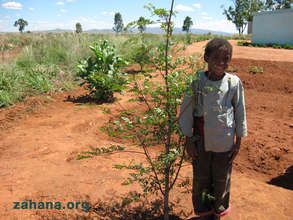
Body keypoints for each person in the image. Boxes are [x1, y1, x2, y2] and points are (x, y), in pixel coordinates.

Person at [179, 38, 247, 220]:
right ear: (206, 57)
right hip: (201, 142)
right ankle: (203, 213)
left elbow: (240, 112)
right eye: (216, 57)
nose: (221, 63)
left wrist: (238, 142)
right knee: (201, 180)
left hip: (225, 144)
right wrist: (189, 141)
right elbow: (186, 112)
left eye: (226, 58)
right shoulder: (197, 82)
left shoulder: (233, 83)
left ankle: (218, 212)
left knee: (221, 180)